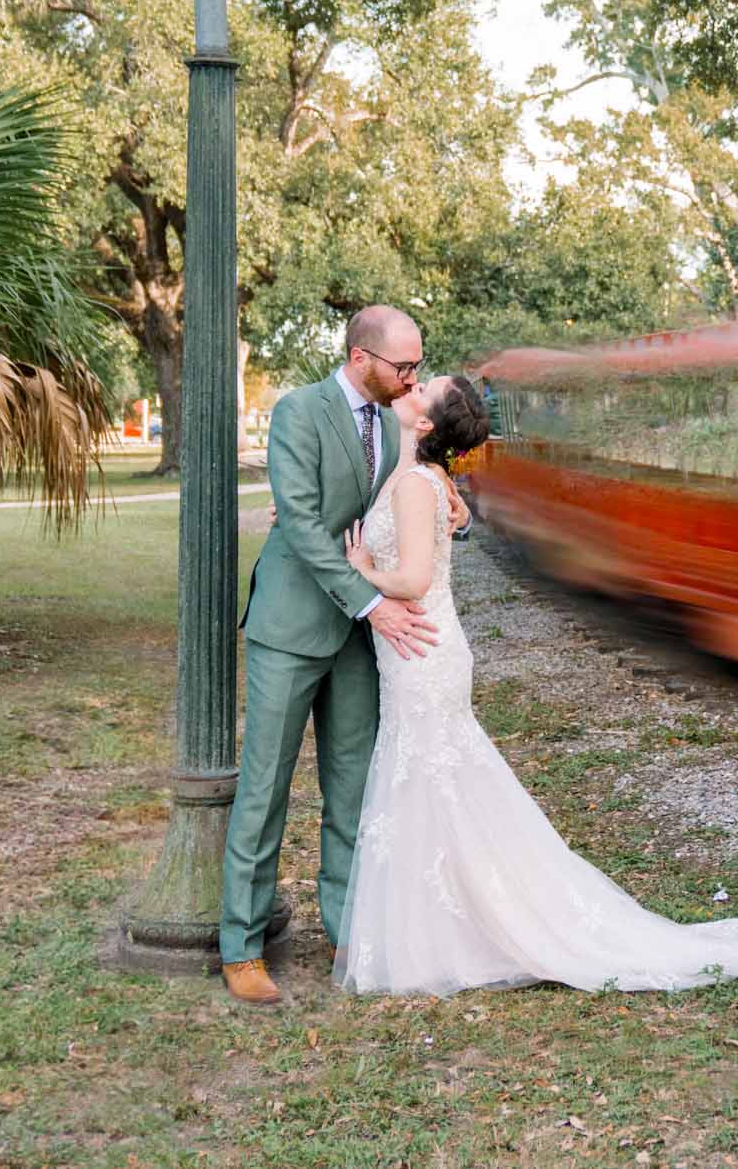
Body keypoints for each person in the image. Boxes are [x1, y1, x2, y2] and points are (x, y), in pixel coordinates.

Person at [334, 374, 738, 996]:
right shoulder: (421, 475)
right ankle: (441, 929)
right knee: (435, 786)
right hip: (417, 651)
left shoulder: (421, 484)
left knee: (433, 781)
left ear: (424, 426)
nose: (413, 384)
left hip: (422, 652)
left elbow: (415, 578)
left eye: (425, 388)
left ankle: (463, 933)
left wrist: (363, 568)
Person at [219, 305, 442, 1006]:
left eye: (416, 367)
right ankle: (242, 947)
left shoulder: (394, 418)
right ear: (359, 357)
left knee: (352, 788)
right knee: (265, 790)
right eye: (401, 367)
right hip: (293, 626)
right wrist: (374, 604)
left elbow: (400, 502)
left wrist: (447, 504)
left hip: (356, 639)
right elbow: (306, 526)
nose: (411, 380)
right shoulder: (298, 412)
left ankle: (349, 929)